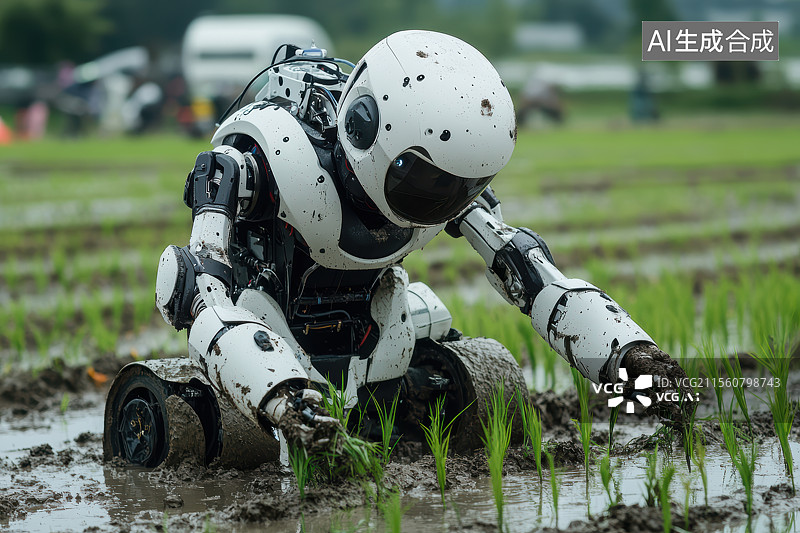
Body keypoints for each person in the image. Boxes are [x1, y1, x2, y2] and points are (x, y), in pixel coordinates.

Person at [154, 30, 688, 451]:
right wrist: (279, 401)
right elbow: (202, 286)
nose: (441, 201)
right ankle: (288, 403)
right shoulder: (263, 158)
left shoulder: (437, 173)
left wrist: (632, 361)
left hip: (376, 316)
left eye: (458, 189)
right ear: (367, 131)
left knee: (446, 338)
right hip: (262, 321)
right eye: (427, 183)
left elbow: (531, 276)